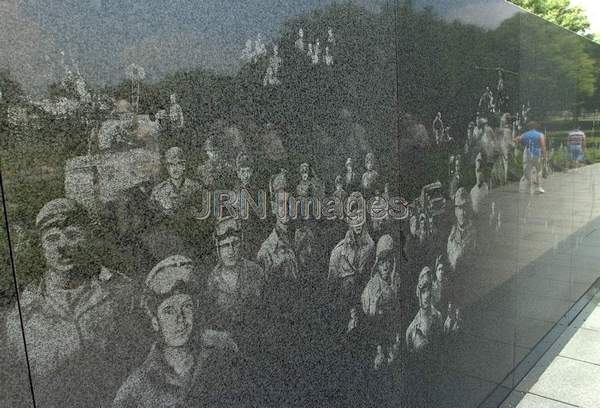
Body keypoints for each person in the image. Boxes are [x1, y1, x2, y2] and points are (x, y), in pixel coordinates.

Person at [3, 198, 143, 407]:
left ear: (88, 238)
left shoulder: (124, 293)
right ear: (41, 247)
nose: (61, 247)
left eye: (72, 235)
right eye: (52, 239)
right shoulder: (23, 313)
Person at [112, 255, 242, 408]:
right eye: (169, 311)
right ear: (155, 321)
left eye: (186, 306)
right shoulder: (137, 387)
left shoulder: (222, 348)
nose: (180, 318)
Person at [205, 217, 264, 350]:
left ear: (241, 244)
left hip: (259, 344)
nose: (230, 251)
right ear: (217, 248)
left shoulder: (256, 272)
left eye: (235, 243)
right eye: (225, 245)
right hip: (227, 349)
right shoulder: (212, 281)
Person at [329, 192, 375, 313]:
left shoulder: (370, 246)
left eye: (360, 215)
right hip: (344, 300)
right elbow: (332, 283)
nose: (358, 222)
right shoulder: (339, 251)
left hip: (364, 298)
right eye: (354, 217)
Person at [405, 266, 443, 354]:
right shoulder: (411, 329)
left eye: (429, 289)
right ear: (418, 293)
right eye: (423, 291)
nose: (426, 296)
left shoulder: (438, 317)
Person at [447, 187, 476, 273]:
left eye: (465, 207)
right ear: (455, 210)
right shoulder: (452, 232)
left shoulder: (475, 232)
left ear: (469, 209)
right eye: (459, 208)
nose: (462, 213)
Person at [515, 121, 547, 194]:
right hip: (537, 153)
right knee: (539, 170)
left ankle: (531, 182)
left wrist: (519, 144)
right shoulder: (540, 134)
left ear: (528, 127)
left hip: (527, 153)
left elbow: (516, 140)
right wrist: (545, 155)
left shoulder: (525, 134)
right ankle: (539, 187)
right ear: (536, 127)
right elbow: (543, 145)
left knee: (527, 170)